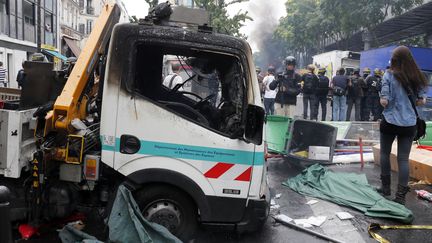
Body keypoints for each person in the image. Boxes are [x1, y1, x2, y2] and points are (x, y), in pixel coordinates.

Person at [378, 46, 428, 205]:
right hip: (409, 124)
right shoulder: (417, 76)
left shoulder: (388, 75)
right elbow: (420, 102)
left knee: (385, 154)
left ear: (394, 60)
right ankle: (400, 197)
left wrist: (384, 100)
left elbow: (384, 102)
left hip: (390, 121)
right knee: (403, 159)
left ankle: (385, 189)